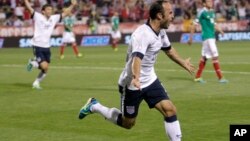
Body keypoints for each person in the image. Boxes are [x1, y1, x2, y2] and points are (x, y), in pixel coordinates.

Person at [78, 1, 195, 141]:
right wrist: (136, 77)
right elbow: (137, 59)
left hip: (150, 80)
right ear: (159, 15)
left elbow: (169, 50)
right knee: (128, 123)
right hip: (132, 84)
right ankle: (95, 106)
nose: (172, 16)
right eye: (170, 13)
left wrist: (183, 63)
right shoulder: (143, 34)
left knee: (170, 109)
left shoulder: (161, 32)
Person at [25, 0, 77, 89]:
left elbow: (65, 13)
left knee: (45, 68)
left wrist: (72, 5)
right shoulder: (38, 16)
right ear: (43, 11)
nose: (50, 11)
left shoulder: (54, 18)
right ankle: (33, 63)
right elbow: (29, 8)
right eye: (48, 9)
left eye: (51, 9)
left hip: (47, 46)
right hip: (37, 45)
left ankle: (36, 82)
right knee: (44, 66)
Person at [188, 0, 228, 83]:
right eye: (209, 2)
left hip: (211, 37)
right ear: (204, 4)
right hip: (207, 37)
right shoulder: (201, 12)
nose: (211, 3)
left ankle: (198, 77)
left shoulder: (212, 12)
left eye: (211, 1)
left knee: (204, 57)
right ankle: (220, 78)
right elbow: (194, 25)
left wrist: (221, 31)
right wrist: (191, 38)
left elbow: (214, 24)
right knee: (215, 55)